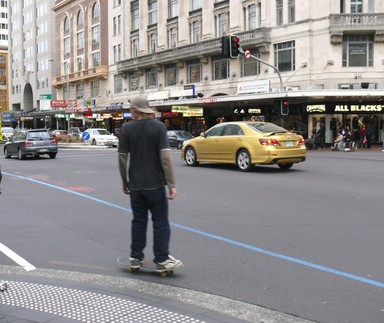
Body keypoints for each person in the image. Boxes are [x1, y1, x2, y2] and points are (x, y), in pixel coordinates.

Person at [118, 96, 182, 271]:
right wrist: (171, 184)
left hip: (136, 186)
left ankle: (135, 257)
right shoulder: (159, 127)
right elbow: (166, 158)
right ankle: (161, 260)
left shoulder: (127, 128)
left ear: (135, 111)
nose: (130, 113)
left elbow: (123, 158)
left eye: (131, 109)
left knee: (138, 221)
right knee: (160, 222)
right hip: (155, 184)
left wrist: (125, 181)